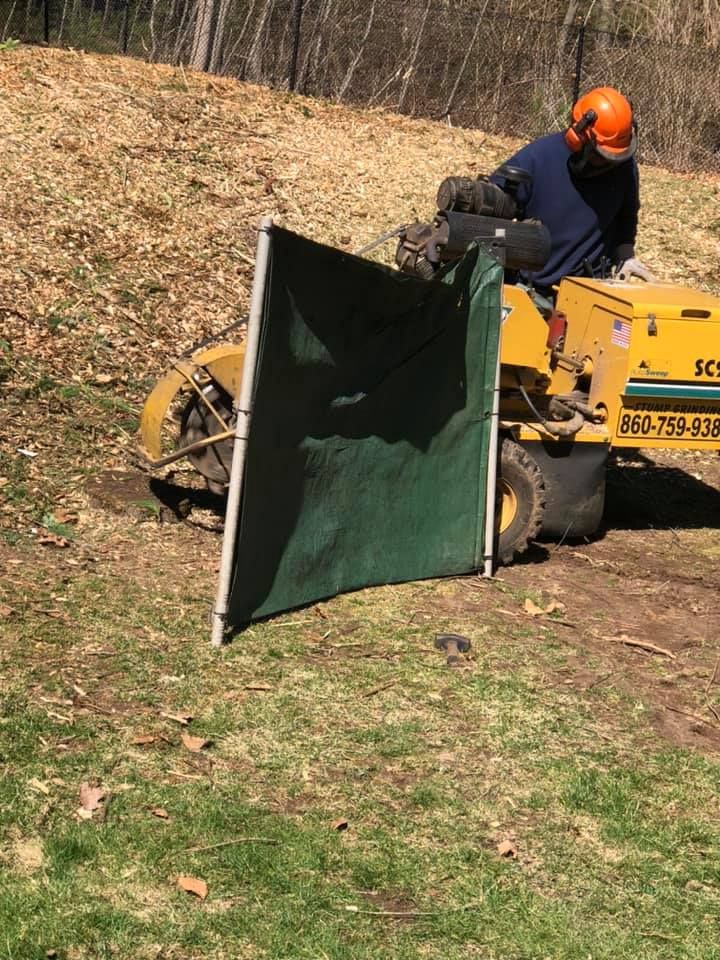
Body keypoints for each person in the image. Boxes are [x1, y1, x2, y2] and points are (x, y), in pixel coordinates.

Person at [490, 86, 654, 304]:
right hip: (532, 290)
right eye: (602, 156)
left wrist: (626, 256)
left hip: (591, 290)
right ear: (577, 138)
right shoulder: (536, 159)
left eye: (617, 158)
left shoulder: (623, 166)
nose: (609, 165)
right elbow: (491, 210)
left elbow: (626, 214)